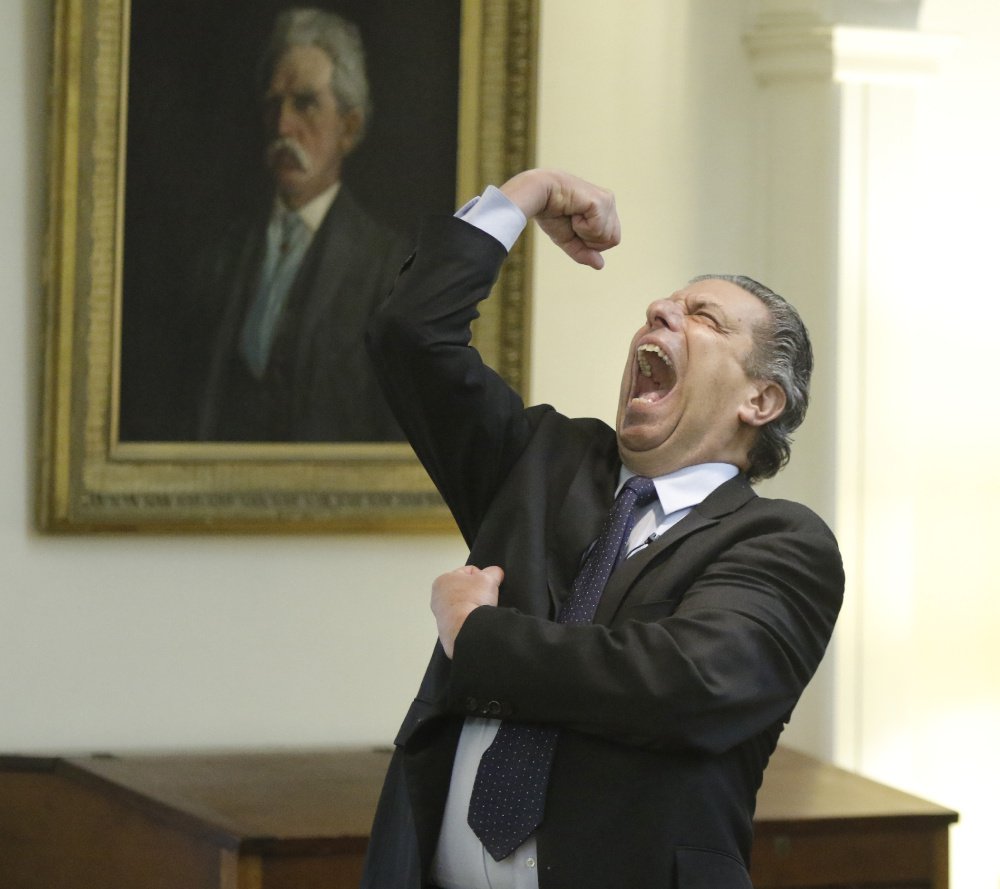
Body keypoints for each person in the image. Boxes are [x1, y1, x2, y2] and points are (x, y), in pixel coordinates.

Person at [361, 169, 845, 889]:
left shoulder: (781, 545)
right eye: (661, 306)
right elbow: (410, 336)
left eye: (703, 316)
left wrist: (479, 635)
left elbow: (679, 683)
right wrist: (524, 196)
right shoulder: (540, 462)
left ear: (760, 399)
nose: (659, 310)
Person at [195, 7, 408, 441]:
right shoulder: (221, 257)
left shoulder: (388, 268)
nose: (283, 126)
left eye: (305, 104)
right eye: (274, 105)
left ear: (348, 128)